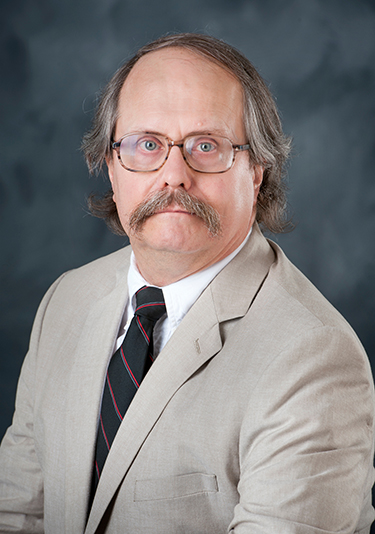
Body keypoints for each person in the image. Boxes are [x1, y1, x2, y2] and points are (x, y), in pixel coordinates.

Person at [0, 33, 374, 534]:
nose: (173, 175)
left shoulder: (314, 359)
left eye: (206, 145)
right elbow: (18, 511)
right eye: (147, 144)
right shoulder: (66, 300)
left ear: (256, 170)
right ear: (112, 167)